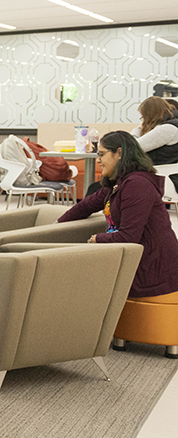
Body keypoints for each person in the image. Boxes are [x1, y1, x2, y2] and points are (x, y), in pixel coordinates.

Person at [57, 132, 178, 301]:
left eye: (101, 154)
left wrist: (96, 239)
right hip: (138, 261)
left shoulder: (137, 185)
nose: (98, 160)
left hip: (154, 269)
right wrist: (56, 225)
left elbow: (129, 237)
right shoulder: (119, 183)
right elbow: (86, 205)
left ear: (119, 153)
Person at [133, 97, 178, 195]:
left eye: (143, 117)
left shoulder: (167, 129)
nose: (143, 120)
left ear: (149, 115)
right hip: (168, 176)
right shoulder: (173, 125)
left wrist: (138, 129)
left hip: (161, 179)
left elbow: (132, 147)